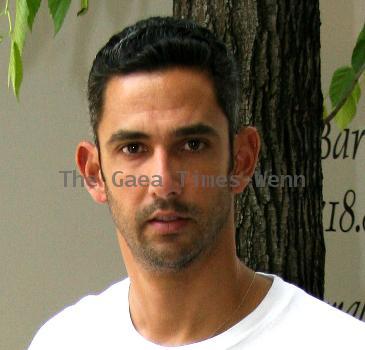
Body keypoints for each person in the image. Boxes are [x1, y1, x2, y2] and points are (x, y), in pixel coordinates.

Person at [28, 16, 364, 350]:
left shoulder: (337, 341)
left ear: (242, 160)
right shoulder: (62, 340)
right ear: (93, 173)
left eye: (192, 145)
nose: (163, 181)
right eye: (133, 148)